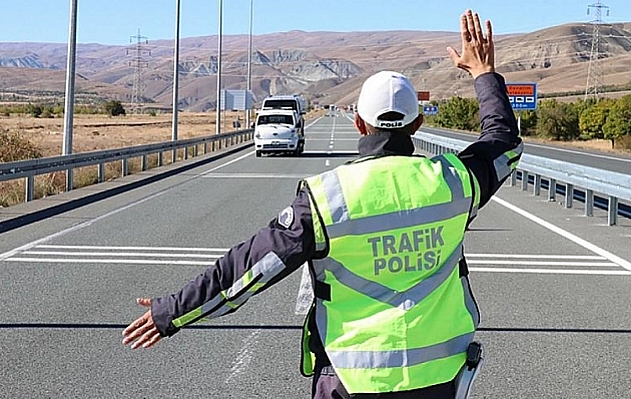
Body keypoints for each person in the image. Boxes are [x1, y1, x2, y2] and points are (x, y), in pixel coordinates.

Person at [123, 9, 522, 399]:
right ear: (417, 126)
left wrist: (171, 312)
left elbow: (246, 270)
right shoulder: (454, 181)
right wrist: (483, 73)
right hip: (440, 376)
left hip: (352, 380)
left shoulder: (327, 199)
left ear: (359, 124)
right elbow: (503, 140)